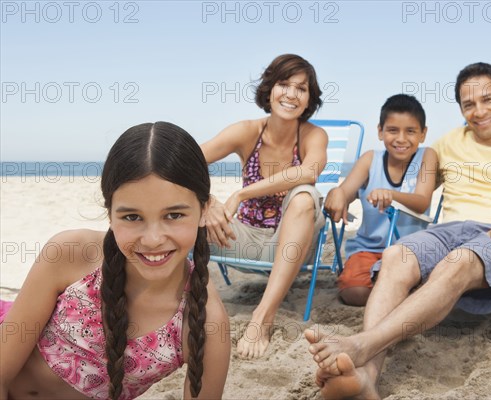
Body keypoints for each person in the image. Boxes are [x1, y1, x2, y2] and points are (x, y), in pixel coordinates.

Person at [305, 62, 491, 399]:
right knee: (396, 255)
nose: (478, 111)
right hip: (447, 230)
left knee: (459, 261)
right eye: (468, 105)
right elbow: (401, 164)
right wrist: (342, 191)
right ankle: (367, 378)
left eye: (488, 99)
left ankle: (360, 346)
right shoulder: (447, 145)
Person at [0, 122, 230, 399]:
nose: (153, 239)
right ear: (110, 214)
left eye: (174, 215)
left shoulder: (205, 322)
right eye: (132, 217)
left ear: (204, 210)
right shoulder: (70, 252)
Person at [201, 54, 327, 359]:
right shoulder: (246, 131)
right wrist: (208, 201)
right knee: (183, 216)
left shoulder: (313, 135)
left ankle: (262, 317)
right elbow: (183, 160)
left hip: (294, 244)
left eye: (301, 88)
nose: (291, 95)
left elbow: (309, 172)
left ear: (309, 98)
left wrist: (241, 194)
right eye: (284, 84)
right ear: (269, 89)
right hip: (242, 238)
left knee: (303, 196)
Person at [325, 94, 437, 306]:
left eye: (410, 131)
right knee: (354, 294)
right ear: (380, 131)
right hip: (369, 248)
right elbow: (345, 191)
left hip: (410, 250)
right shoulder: (370, 159)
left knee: (426, 289)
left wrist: (391, 195)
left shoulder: (427, 156)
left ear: (423, 134)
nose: (401, 139)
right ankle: (391, 291)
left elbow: (422, 201)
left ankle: (391, 289)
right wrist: (338, 193)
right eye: (393, 130)